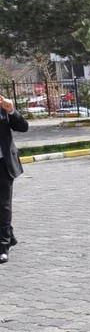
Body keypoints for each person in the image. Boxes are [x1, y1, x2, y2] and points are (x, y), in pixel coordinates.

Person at [0, 94, 29, 264]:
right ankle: (8, 236)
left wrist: (11, 110)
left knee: (3, 205)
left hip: (3, 164)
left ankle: (3, 246)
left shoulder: (4, 107)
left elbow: (23, 127)